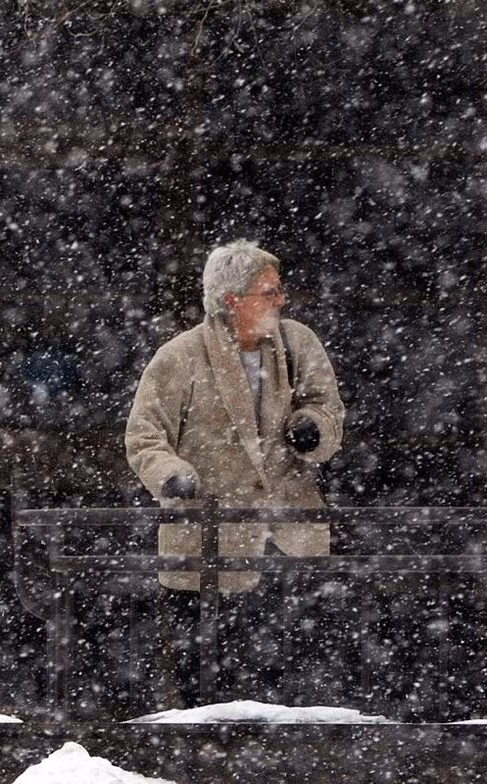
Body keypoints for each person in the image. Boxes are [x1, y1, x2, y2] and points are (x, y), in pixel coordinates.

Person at [124, 239, 344, 706]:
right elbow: (145, 436)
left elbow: (325, 407)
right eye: (269, 292)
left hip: (289, 535)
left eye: (278, 290)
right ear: (231, 301)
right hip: (207, 542)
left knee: (300, 672)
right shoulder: (179, 357)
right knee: (209, 677)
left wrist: (312, 428)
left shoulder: (297, 342)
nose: (280, 300)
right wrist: (171, 475)